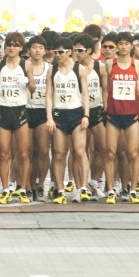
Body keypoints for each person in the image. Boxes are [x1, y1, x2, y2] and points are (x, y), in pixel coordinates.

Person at [0, 32, 34, 204]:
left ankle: (22, 189)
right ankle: (5, 189)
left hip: (20, 110)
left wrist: (27, 82)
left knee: (23, 153)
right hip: (3, 110)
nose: (12, 47)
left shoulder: (26, 64)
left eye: (15, 45)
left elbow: (33, 89)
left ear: (21, 48)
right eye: (9, 44)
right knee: (3, 153)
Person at [46, 37, 90, 203]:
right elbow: (49, 95)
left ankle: (83, 188)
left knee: (79, 151)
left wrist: (86, 115)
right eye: (55, 52)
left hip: (76, 112)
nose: (57, 55)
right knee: (58, 154)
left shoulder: (80, 69)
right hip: (59, 114)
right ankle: (59, 190)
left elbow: (85, 94)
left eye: (61, 52)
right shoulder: (52, 70)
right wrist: (49, 117)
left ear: (69, 52)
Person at [104, 30, 139, 204]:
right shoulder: (109, 64)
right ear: (117, 46)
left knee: (133, 154)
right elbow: (105, 89)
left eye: (127, 44)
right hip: (113, 114)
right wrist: (106, 108)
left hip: (131, 114)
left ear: (131, 46)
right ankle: (111, 189)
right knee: (111, 153)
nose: (124, 47)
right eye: (120, 44)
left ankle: (133, 190)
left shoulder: (137, 64)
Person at [71, 32, 106, 199]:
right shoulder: (72, 67)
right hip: (78, 111)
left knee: (102, 148)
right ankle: (80, 186)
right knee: (79, 150)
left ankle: (93, 181)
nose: (77, 53)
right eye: (75, 49)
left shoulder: (100, 67)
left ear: (89, 50)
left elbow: (105, 89)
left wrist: (106, 109)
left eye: (80, 50)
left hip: (96, 109)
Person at [25, 35, 52, 200]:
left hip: (43, 111)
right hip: (26, 110)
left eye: (41, 48)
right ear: (29, 49)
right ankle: (28, 185)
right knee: (26, 152)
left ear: (45, 50)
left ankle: (40, 184)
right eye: (34, 47)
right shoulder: (22, 66)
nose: (37, 51)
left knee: (42, 151)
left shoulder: (50, 68)